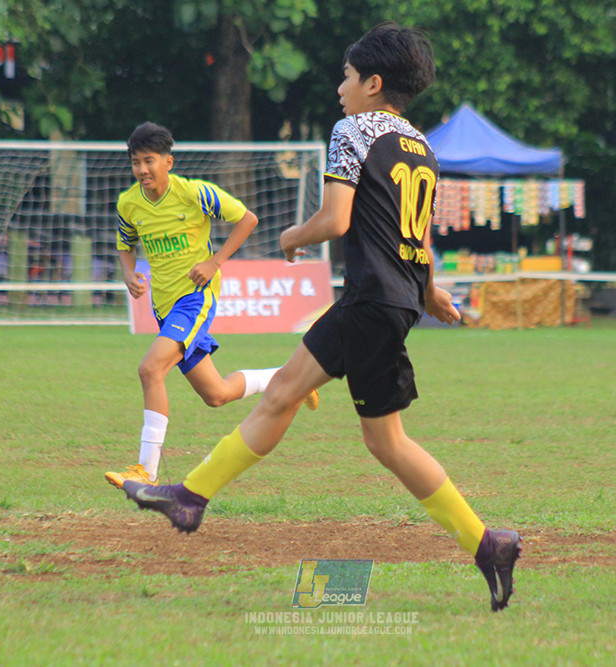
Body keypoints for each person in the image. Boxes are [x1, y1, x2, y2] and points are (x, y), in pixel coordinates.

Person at [118, 25, 522, 612]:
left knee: (381, 438)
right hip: (388, 300)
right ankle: (190, 497)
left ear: (373, 83)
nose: (340, 88)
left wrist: (290, 235)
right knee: (292, 397)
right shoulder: (422, 146)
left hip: (370, 301)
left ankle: (487, 542)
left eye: (348, 76)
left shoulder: (352, 130)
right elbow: (416, 234)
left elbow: (335, 221)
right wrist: (430, 291)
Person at [105, 122, 318, 489]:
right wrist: (128, 273)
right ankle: (291, 378)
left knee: (150, 370)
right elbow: (126, 244)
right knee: (216, 394)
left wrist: (214, 262)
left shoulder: (194, 194)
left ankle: (145, 471)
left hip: (194, 298)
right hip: (164, 307)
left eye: (149, 161)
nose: (142, 170)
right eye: (136, 162)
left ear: (168, 162)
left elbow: (247, 218)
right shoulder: (129, 203)